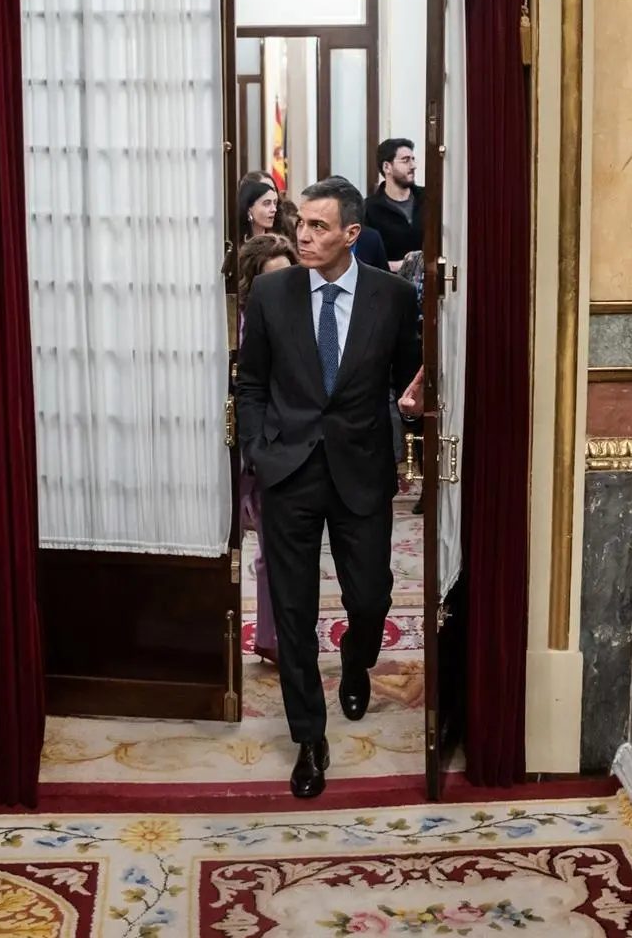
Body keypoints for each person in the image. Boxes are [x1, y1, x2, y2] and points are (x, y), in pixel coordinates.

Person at [235, 176, 421, 799]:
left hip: (362, 469)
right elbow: (251, 382)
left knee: (370, 594)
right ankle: (309, 736)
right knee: (293, 612)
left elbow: (406, 380)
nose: (303, 236)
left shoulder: (392, 297)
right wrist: (260, 449)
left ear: (351, 233)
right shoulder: (271, 293)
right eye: (300, 224)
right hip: (288, 471)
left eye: (317, 226)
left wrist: (410, 416)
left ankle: (358, 659)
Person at [233, 234, 300, 664]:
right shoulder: (241, 324)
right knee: (260, 550)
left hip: (292, 445)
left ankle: (276, 638)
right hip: (252, 446)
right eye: (269, 281)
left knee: (279, 552)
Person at [362, 138, 424, 263]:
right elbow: (366, 260)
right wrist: (398, 266)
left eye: (413, 159)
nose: (413, 166)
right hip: (389, 280)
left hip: (430, 280)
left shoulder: (428, 198)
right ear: (387, 167)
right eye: (405, 160)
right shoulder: (369, 209)